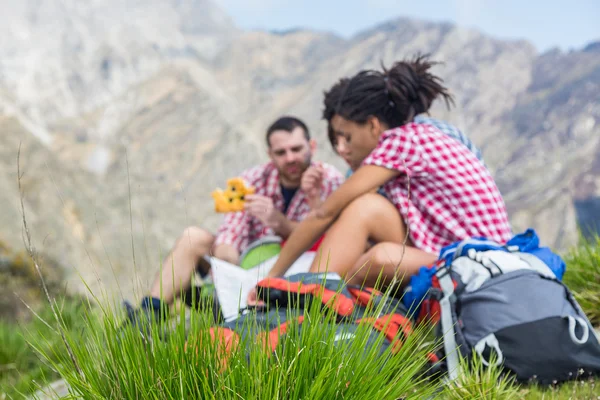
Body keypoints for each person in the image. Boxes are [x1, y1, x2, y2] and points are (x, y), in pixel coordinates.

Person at [258, 55, 512, 294]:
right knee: (369, 211)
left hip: (481, 259)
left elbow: (326, 213)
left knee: (371, 241)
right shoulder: (417, 137)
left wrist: (272, 276)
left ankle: (309, 306)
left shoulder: (403, 141)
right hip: (459, 249)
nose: (343, 146)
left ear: (372, 125)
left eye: (348, 135)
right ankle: (317, 296)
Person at [123, 116, 344, 326]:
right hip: (246, 265)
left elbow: (331, 237)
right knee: (193, 237)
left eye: (296, 149)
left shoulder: (329, 180)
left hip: (295, 273)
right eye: (281, 152)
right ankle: (146, 317)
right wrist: (226, 265)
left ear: (311, 146)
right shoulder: (253, 180)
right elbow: (231, 231)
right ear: (270, 154)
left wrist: (280, 222)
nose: (290, 158)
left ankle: (215, 300)